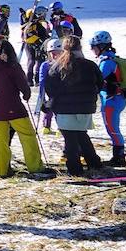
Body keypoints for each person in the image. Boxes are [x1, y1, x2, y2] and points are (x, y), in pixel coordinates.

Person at [42, 36, 105, 177]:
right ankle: (94, 162)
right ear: (80, 47)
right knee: (82, 135)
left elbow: (50, 88)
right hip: (85, 108)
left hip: (64, 109)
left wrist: (50, 104)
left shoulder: (57, 66)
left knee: (70, 139)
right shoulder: (90, 65)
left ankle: (75, 169)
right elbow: (100, 84)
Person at [0, 36, 45, 177]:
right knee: (27, 134)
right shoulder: (11, 66)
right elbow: (22, 83)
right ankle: (35, 166)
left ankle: (1, 170)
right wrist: (26, 94)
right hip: (11, 105)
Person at [91, 30, 126, 167]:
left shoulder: (106, 62)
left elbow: (97, 80)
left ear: (101, 46)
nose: (92, 49)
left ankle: (119, 157)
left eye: (94, 47)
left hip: (111, 100)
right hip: (117, 99)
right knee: (113, 128)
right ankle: (118, 155)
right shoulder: (111, 58)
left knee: (112, 129)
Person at [33, 36, 63, 128]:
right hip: (50, 93)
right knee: (48, 109)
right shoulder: (45, 65)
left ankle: (61, 127)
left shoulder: (65, 64)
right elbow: (42, 81)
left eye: (56, 53)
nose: (54, 56)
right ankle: (46, 126)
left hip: (62, 94)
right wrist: (41, 99)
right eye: (51, 53)